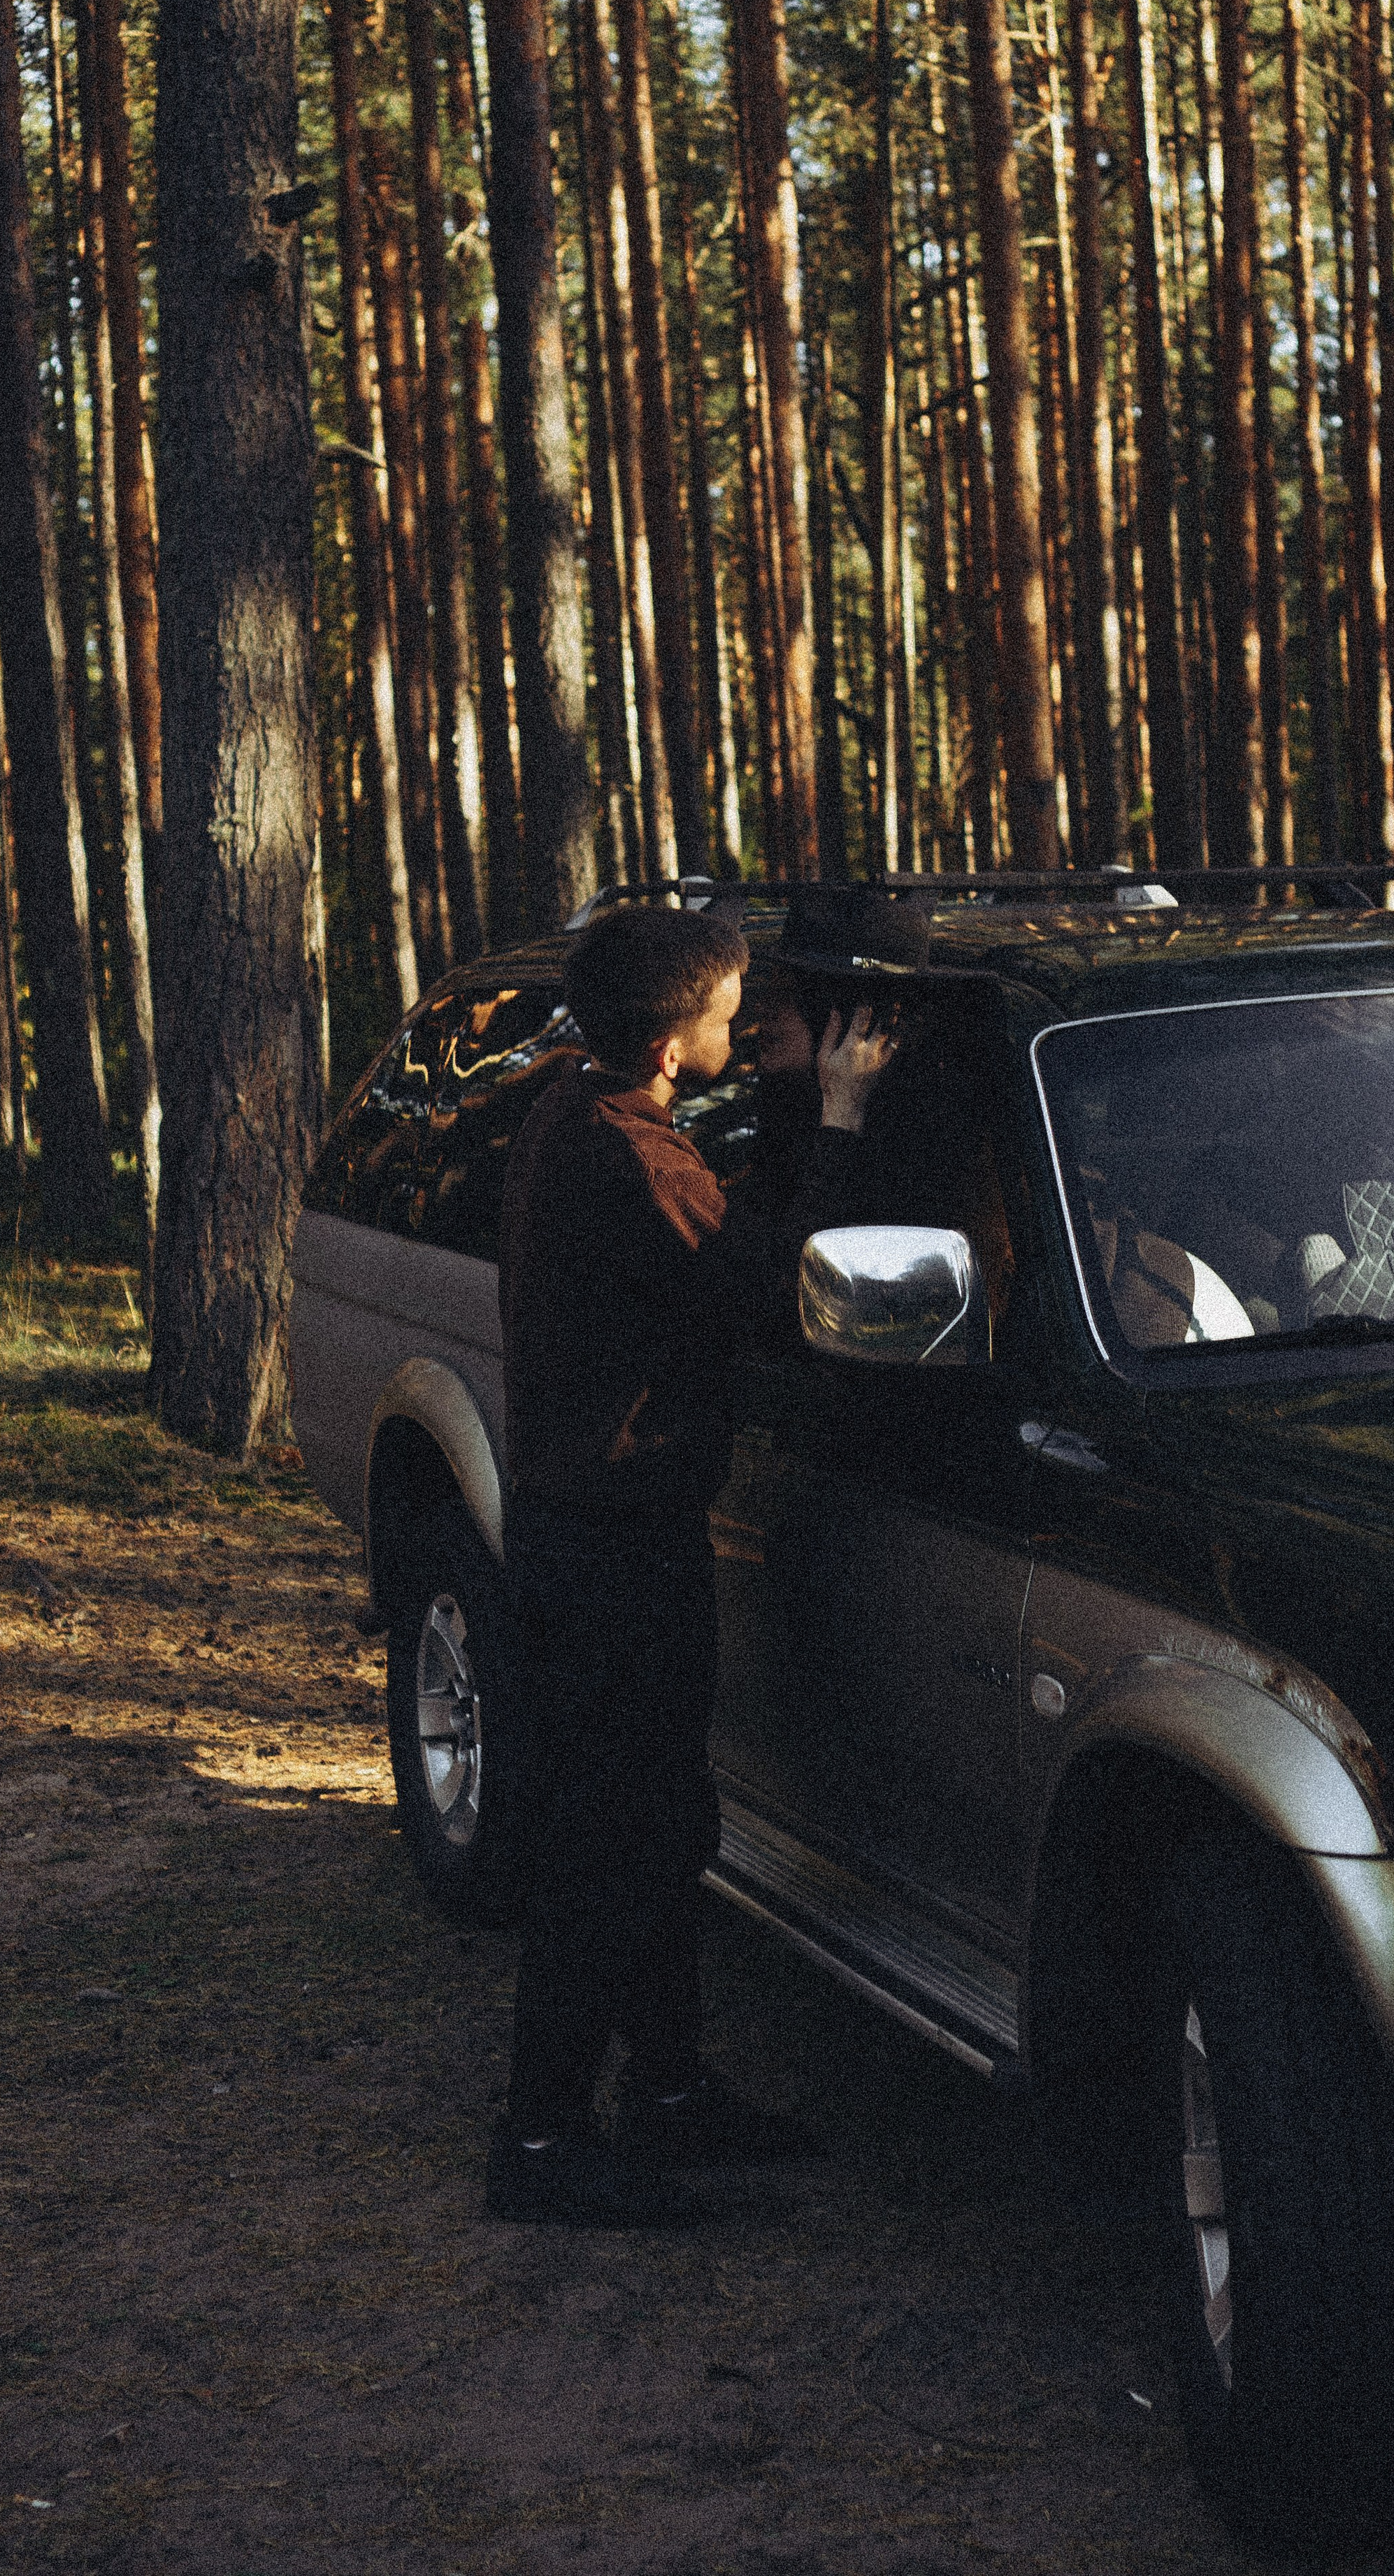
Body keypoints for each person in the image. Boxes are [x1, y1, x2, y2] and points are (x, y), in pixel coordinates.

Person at [488, 902, 897, 2227]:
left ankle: (665, 2095)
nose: (744, 1021)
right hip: (612, 1555)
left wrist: (780, 1091)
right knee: (616, 1843)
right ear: (674, 1043)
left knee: (658, 1824)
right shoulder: (632, 1159)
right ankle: (542, 2146)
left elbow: (717, 1225)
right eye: (730, 1010)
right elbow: (786, 1289)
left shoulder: (580, 1110)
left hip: (588, 1539)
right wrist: (837, 1116)